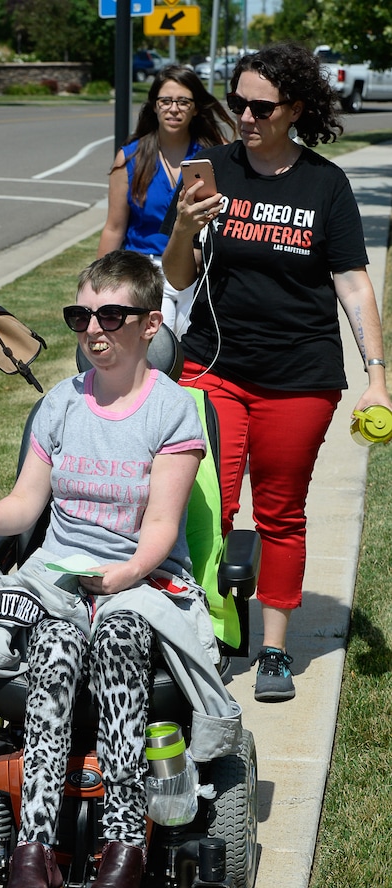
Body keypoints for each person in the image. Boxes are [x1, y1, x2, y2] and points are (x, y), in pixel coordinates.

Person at [0, 250, 240, 888]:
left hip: (143, 577)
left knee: (119, 635)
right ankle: (34, 853)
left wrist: (123, 577)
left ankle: (124, 848)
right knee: (50, 652)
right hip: (63, 577)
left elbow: (163, 524)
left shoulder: (172, 412)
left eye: (111, 315)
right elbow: (26, 505)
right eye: (83, 315)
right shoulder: (60, 403)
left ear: (148, 323)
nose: (94, 329)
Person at [161, 42, 392, 703]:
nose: (245, 116)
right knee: (203, 500)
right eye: (236, 102)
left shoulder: (324, 183)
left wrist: (377, 375)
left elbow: (352, 283)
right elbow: (179, 276)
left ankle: (273, 648)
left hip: (299, 375)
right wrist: (183, 227)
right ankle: (204, 632)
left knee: (280, 513)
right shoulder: (214, 170)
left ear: (295, 108)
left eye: (261, 106)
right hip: (214, 366)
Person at [97, 65, 234, 336]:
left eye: (183, 101)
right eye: (166, 101)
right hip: (145, 272)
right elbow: (114, 227)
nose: (174, 108)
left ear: (196, 108)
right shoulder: (130, 157)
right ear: (154, 106)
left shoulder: (213, 154)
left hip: (197, 269)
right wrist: (98, 287)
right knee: (157, 351)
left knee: (193, 354)